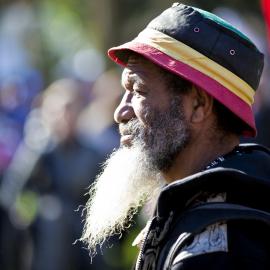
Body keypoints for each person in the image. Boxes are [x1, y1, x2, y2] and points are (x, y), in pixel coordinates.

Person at [81, 3, 270, 269]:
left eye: (138, 90)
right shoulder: (202, 207)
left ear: (198, 106)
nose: (120, 112)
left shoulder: (217, 251)